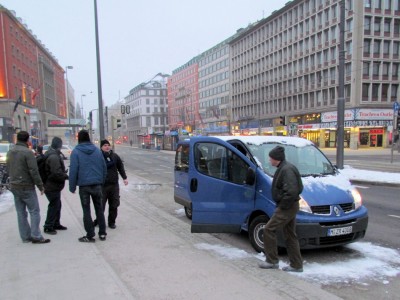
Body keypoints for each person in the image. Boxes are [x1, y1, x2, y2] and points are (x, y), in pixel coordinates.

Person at [258, 146, 304, 272]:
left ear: (275, 159)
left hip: (287, 206)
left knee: (268, 229)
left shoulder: (286, 169)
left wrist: (283, 206)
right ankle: (296, 264)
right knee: (290, 235)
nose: (269, 160)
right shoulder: (285, 167)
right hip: (289, 205)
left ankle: (272, 261)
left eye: (270, 158)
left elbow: (292, 191)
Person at [6, 131, 50, 244]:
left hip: (15, 185)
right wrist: (40, 186)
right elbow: (33, 171)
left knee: (21, 212)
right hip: (26, 185)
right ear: (27, 141)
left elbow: (8, 167)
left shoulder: (10, 152)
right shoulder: (28, 152)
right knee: (34, 211)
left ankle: (25, 236)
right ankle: (36, 235)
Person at [69, 130, 107, 242]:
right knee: (99, 209)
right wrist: (101, 181)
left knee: (86, 211)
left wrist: (72, 186)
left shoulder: (76, 152)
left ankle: (90, 235)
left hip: (84, 186)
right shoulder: (97, 151)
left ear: (79, 139)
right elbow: (104, 168)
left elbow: (73, 170)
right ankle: (102, 233)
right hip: (97, 185)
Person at [93, 140, 128, 229]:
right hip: (102, 186)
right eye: (105, 145)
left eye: (108, 145)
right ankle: (99, 220)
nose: (107, 147)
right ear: (101, 147)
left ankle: (111, 222)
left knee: (114, 204)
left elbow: (120, 167)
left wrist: (124, 178)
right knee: (101, 205)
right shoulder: (98, 157)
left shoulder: (115, 156)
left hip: (114, 185)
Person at [42, 137, 69, 235]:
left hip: (52, 185)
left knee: (57, 204)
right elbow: (56, 173)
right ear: (59, 145)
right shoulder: (53, 156)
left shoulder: (51, 153)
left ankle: (55, 223)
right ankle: (48, 226)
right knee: (54, 205)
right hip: (51, 185)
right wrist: (65, 176)